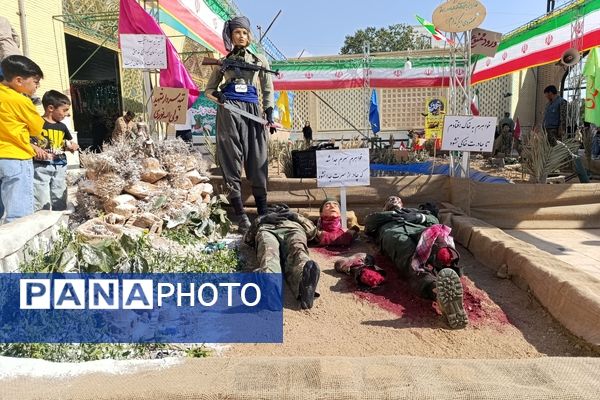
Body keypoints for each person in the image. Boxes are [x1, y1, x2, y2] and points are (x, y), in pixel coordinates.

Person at [205, 15, 275, 233]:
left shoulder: (259, 60)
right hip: (229, 112)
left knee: (258, 158)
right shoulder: (222, 62)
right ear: (231, 36)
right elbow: (208, 91)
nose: (241, 36)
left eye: (244, 32)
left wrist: (269, 111)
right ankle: (241, 215)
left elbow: (268, 89)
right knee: (231, 159)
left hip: (253, 111)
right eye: (237, 32)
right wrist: (220, 97)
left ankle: (262, 212)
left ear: (249, 36)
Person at [363, 196, 468, 329]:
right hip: (394, 235)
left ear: (403, 203)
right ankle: (436, 291)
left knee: (436, 236)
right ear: (385, 206)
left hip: (418, 230)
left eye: (397, 199)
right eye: (390, 200)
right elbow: (369, 222)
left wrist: (419, 217)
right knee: (412, 260)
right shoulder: (379, 216)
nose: (394, 200)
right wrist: (394, 214)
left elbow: (433, 220)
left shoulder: (413, 212)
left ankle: (448, 267)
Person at [0, 55, 48, 223]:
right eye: (35, 82)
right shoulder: (21, 101)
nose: (37, 86)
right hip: (16, 157)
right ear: (19, 80)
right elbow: (37, 129)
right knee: (18, 215)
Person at [244, 204, 320, 309]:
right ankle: (270, 286)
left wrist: (295, 216)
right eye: (273, 209)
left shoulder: (294, 218)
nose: (277, 210)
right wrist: (262, 219)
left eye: (281, 209)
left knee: (297, 250)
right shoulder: (263, 220)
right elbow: (247, 239)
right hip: (268, 230)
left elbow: (312, 232)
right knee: (269, 252)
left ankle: (304, 284)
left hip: (293, 229)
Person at [32, 90, 79, 211]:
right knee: (41, 196)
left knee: (59, 193)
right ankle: (43, 221)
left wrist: (72, 146)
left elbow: (66, 143)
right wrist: (36, 148)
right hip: (41, 166)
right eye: (64, 110)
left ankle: (60, 221)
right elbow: (28, 142)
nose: (67, 114)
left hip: (60, 165)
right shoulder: (36, 123)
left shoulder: (62, 126)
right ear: (51, 108)